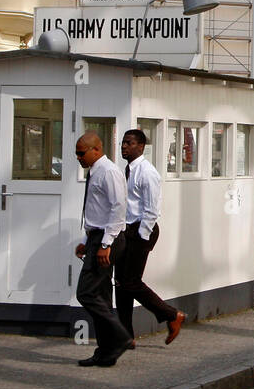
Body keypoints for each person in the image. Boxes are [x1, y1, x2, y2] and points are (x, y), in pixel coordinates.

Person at [115, 130, 185, 347]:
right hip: (126, 230)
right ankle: (125, 336)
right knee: (120, 284)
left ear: (141, 146)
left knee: (131, 282)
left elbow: (152, 210)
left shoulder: (147, 173)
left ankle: (172, 315)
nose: (124, 147)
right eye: (123, 143)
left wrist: (140, 237)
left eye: (129, 143)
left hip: (141, 231)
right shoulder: (126, 171)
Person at [72, 132, 132, 367]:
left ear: (96, 149)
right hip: (97, 237)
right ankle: (106, 351)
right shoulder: (95, 171)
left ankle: (121, 337)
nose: (78, 157)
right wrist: (88, 242)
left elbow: (118, 208)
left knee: (86, 293)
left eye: (81, 152)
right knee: (102, 297)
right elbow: (98, 211)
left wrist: (105, 244)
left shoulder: (108, 171)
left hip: (109, 238)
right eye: (76, 153)